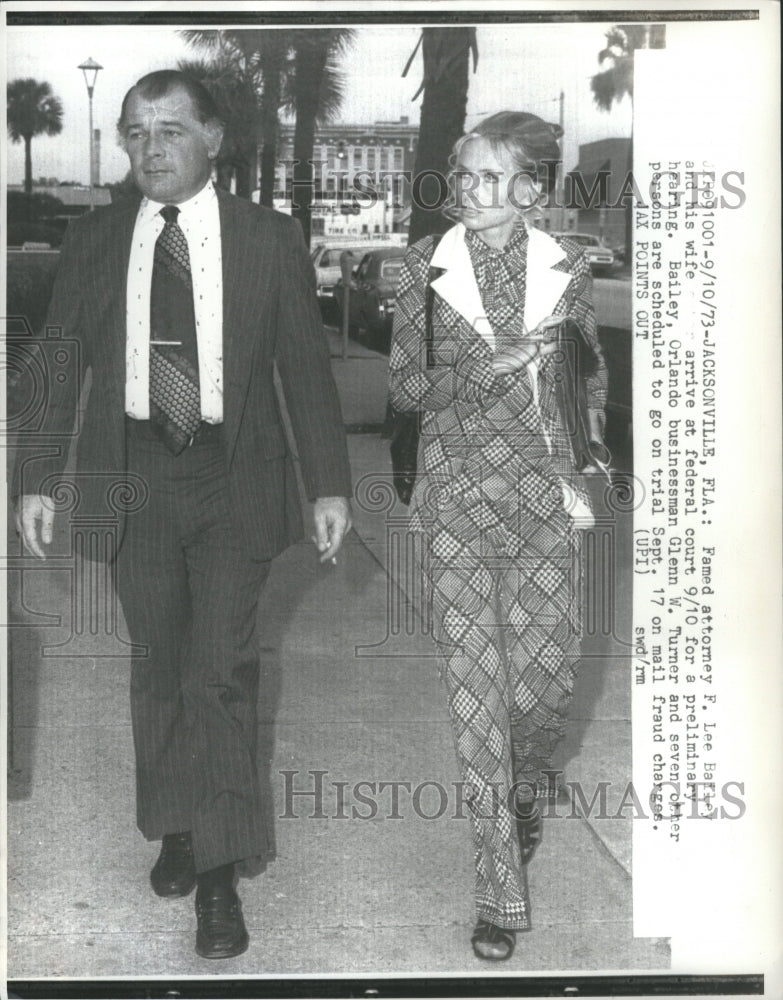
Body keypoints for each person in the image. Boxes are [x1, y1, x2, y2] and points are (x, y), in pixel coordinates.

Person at [13, 70, 352, 960]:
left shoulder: (266, 238)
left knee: (219, 672)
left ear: (212, 138)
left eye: (168, 130)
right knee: (158, 665)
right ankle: (175, 825)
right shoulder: (94, 238)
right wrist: (35, 477)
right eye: (133, 132)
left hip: (233, 473)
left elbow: (304, 368)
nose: (148, 148)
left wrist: (328, 484)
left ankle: (218, 874)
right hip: (131, 472)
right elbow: (55, 362)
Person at [388, 111, 608, 961]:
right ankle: (498, 893)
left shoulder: (573, 269)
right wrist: (481, 366)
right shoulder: (422, 268)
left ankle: (525, 786)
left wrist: (588, 456)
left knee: (544, 686)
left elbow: (587, 379)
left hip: (543, 500)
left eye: (487, 176)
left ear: (531, 187)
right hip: (453, 498)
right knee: (477, 697)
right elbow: (405, 387)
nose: (467, 192)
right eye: (461, 175)